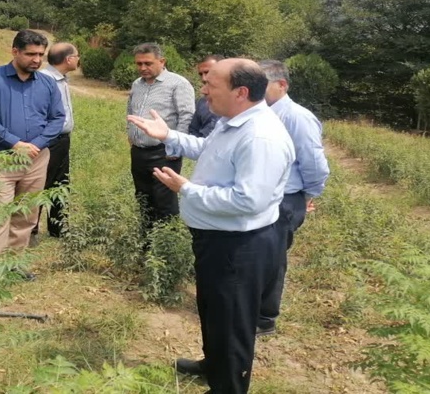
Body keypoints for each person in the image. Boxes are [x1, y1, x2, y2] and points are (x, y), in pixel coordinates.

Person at [127, 58, 294, 394]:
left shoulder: (261, 137)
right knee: (214, 310)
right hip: (217, 240)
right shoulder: (233, 121)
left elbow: (248, 201)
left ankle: (228, 387)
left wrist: (186, 189)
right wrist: (169, 135)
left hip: (239, 246)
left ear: (241, 92)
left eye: (210, 85)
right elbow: (208, 149)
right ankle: (213, 364)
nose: (203, 91)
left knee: (232, 322)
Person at [0, 30, 65, 257]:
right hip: (0, 159)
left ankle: (14, 264)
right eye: (30, 54)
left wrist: (36, 144)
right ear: (15, 51)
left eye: (40, 55)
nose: (36, 60)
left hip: (36, 159)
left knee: (26, 214)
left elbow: (57, 118)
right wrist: (15, 143)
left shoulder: (47, 84)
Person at [256, 59, 330, 336]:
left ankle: (264, 319)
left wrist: (307, 196)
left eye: (260, 85)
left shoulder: (296, 117)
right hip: (264, 196)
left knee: (273, 258)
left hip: (286, 200)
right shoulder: (261, 112)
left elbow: (315, 164)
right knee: (257, 255)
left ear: (281, 85)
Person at [126, 43, 195, 240]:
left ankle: (167, 244)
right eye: (139, 63)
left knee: (164, 201)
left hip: (164, 152)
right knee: (143, 198)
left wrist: (175, 147)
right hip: (139, 151)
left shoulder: (178, 84)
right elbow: (130, 110)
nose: (142, 67)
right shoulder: (137, 84)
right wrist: (131, 135)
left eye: (148, 63)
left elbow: (186, 115)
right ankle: (147, 241)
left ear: (162, 61)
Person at [32, 42, 78, 239]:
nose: (78, 59)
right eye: (77, 56)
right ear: (69, 59)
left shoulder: (61, 78)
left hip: (62, 140)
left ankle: (57, 227)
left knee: (61, 183)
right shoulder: (44, 79)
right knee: (40, 183)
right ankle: (30, 227)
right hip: (48, 140)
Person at [188, 54, 223, 138]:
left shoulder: (237, 100)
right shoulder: (201, 102)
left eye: (207, 72)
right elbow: (193, 130)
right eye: (201, 74)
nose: (204, 78)